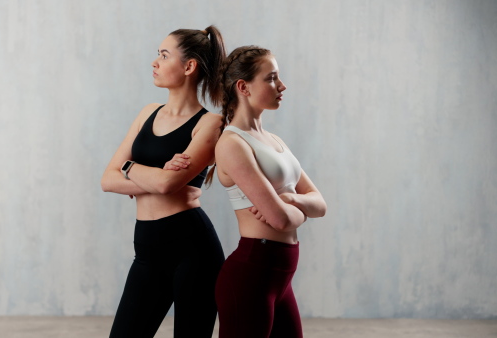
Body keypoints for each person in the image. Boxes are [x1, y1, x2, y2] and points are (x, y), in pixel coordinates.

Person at [100, 26, 226, 338]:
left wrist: (130, 168)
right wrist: (152, 175)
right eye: (158, 54)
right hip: (146, 249)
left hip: (192, 249)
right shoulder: (147, 113)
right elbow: (107, 179)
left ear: (189, 66)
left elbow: (167, 185)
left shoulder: (210, 123)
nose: (155, 62)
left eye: (164, 55)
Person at [213, 46, 327, 338]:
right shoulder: (232, 144)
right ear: (243, 87)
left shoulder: (274, 140)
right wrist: (291, 208)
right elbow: (280, 221)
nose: (282, 85)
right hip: (252, 276)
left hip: (280, 278)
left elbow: (320, 204)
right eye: (272, 78)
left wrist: (289, 199)